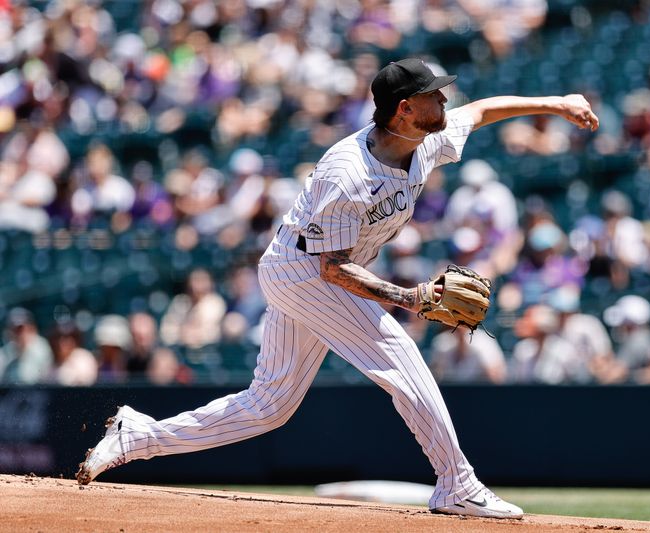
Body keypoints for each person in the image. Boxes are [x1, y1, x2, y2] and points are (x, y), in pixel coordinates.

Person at [77, 57, 599, 519]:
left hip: (310, 268)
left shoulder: (425, 138)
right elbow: (333, 270)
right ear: (402, 110)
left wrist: (555, 103)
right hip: (305, 271)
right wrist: (408, 298)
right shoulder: (348, 173)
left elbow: (481, 112)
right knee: (401, 359)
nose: (444, 99)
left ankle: (138, 436)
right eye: (432, 95)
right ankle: (457, 483)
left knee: (269, 406)